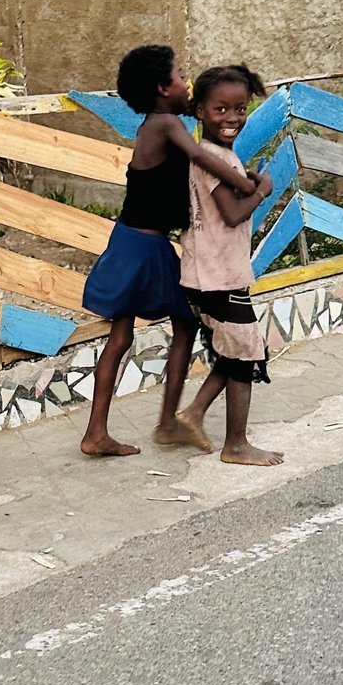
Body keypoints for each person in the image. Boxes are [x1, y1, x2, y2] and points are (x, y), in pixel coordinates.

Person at [79, 45, 261, 457]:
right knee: (160, 328)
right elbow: (198, 155)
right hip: (141, 245)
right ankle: (157, 425)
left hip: (140, 241)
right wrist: (250, 186)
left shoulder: (160, 123)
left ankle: (130, 428)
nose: (187, 82)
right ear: (163, 88)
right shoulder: (164, 123)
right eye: (181, 75)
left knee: (133, 333)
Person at [177, 65, 284, 467]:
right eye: (220, 109)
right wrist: (264, 190)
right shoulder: (210, 157)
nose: (232, 117)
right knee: (245, 354)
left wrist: (248, 185)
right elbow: (233, 213)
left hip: (209, 273)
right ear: (199, 111)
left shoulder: (214, 154)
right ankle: (236, 445)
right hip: (217, 277)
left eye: (240, 109)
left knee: (237, 350)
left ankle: (193, 413)